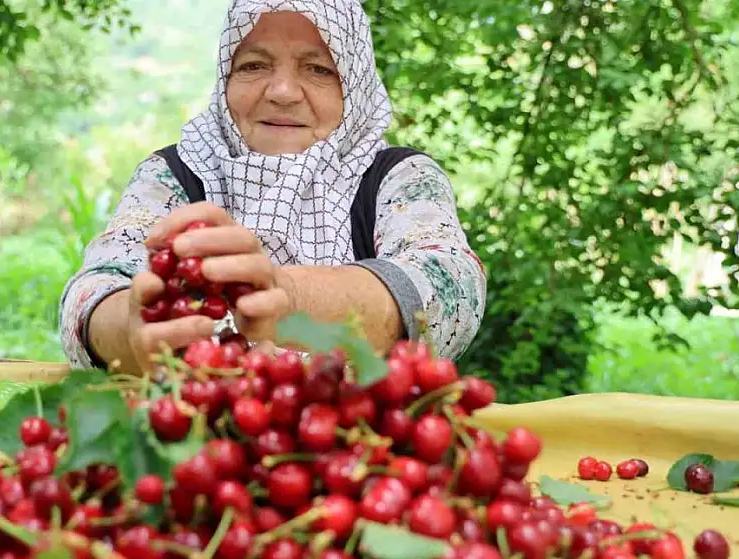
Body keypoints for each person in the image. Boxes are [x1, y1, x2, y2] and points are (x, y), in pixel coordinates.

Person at [59, 0, 487, 375]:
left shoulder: (398, 176)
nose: (282, 91)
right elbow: (94, 289)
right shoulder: (174, 173)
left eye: (319, 69)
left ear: (353, 88)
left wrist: (290, 299)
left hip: (359, 448)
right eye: (254, 65)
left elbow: (452, 286)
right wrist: (126, 329)